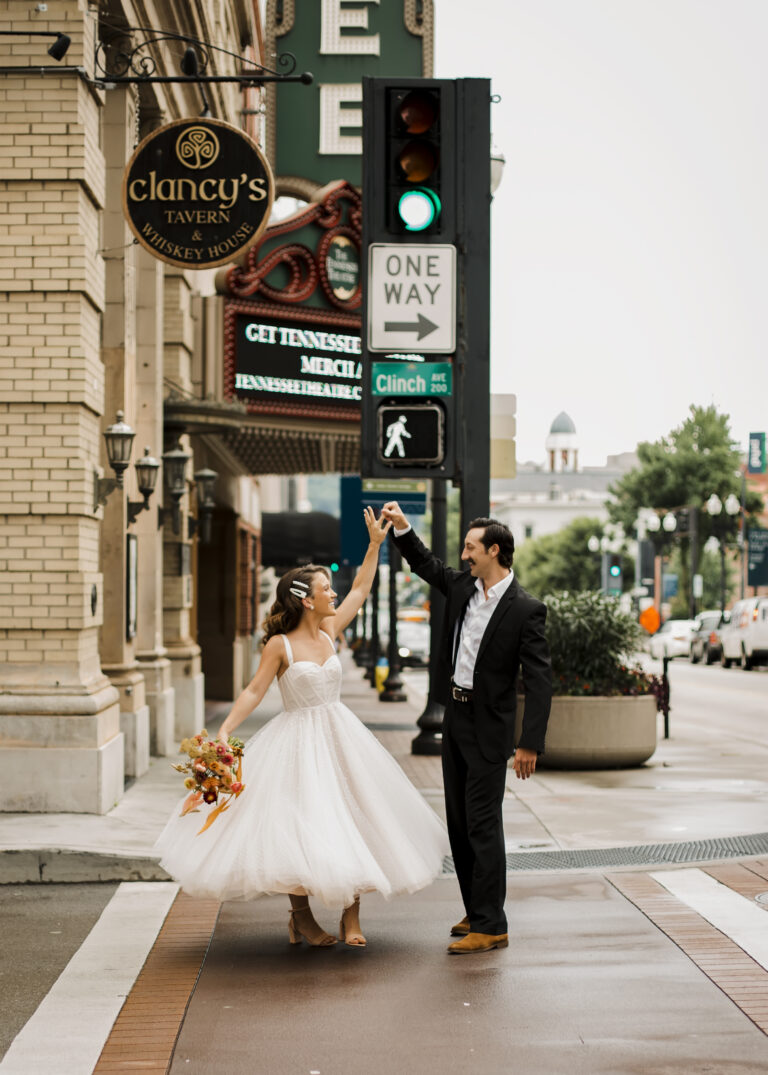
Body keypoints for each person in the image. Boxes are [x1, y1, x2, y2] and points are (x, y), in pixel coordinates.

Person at [155, 508, 449, 949]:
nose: (334, 593)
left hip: (340, 736)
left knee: (355, 816)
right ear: (305, 600)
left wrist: (374, 544)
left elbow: (363, 588)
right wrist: (224, 731)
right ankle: (303, 919)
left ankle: (352, 914)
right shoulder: (280, 645)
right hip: (295, 742)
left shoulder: (331, 630)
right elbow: (255, 691)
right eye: (325, 589)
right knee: (296, 828)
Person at [381, 503, 552, 955]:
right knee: (458, 821)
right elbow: (425, 563)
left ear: (494, 551)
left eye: (471, 547)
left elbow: (539, 681)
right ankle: (476, 909)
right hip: (454, 719)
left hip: (491, 728)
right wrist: (402, 528)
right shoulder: (462, 588)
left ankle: (492, 924)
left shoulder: (526, 610)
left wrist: (529, 742)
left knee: (482, 823)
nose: (465, 554)